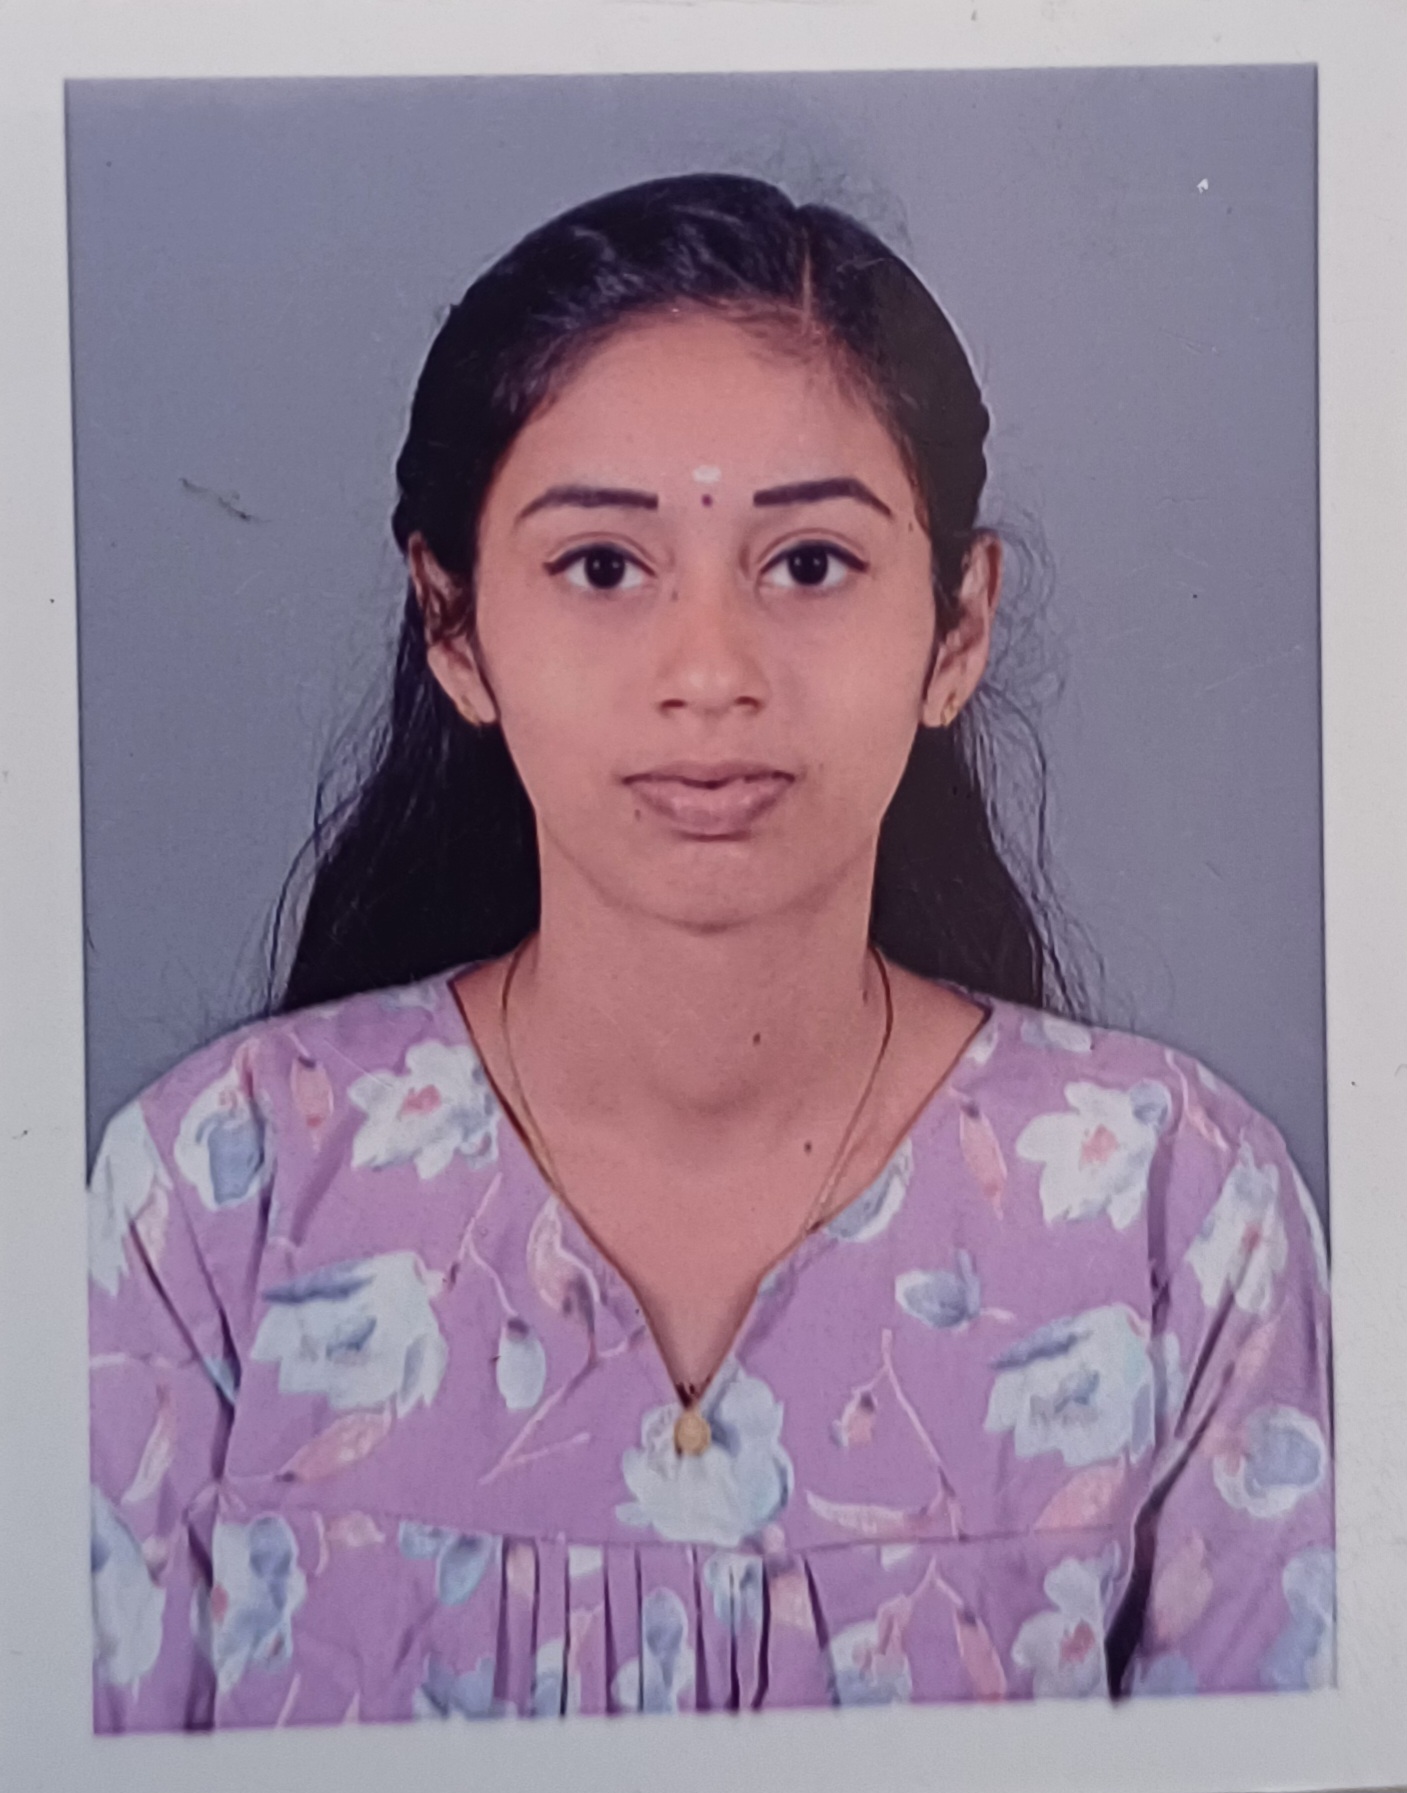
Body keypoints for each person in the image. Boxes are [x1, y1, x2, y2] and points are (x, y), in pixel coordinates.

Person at [86, 173, 1332, 1732]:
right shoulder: (219, 1195)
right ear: (454, 625)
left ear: (956, 627)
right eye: (603, 568)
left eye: (808, 563)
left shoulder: (1177, 1210)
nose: (709, 674)